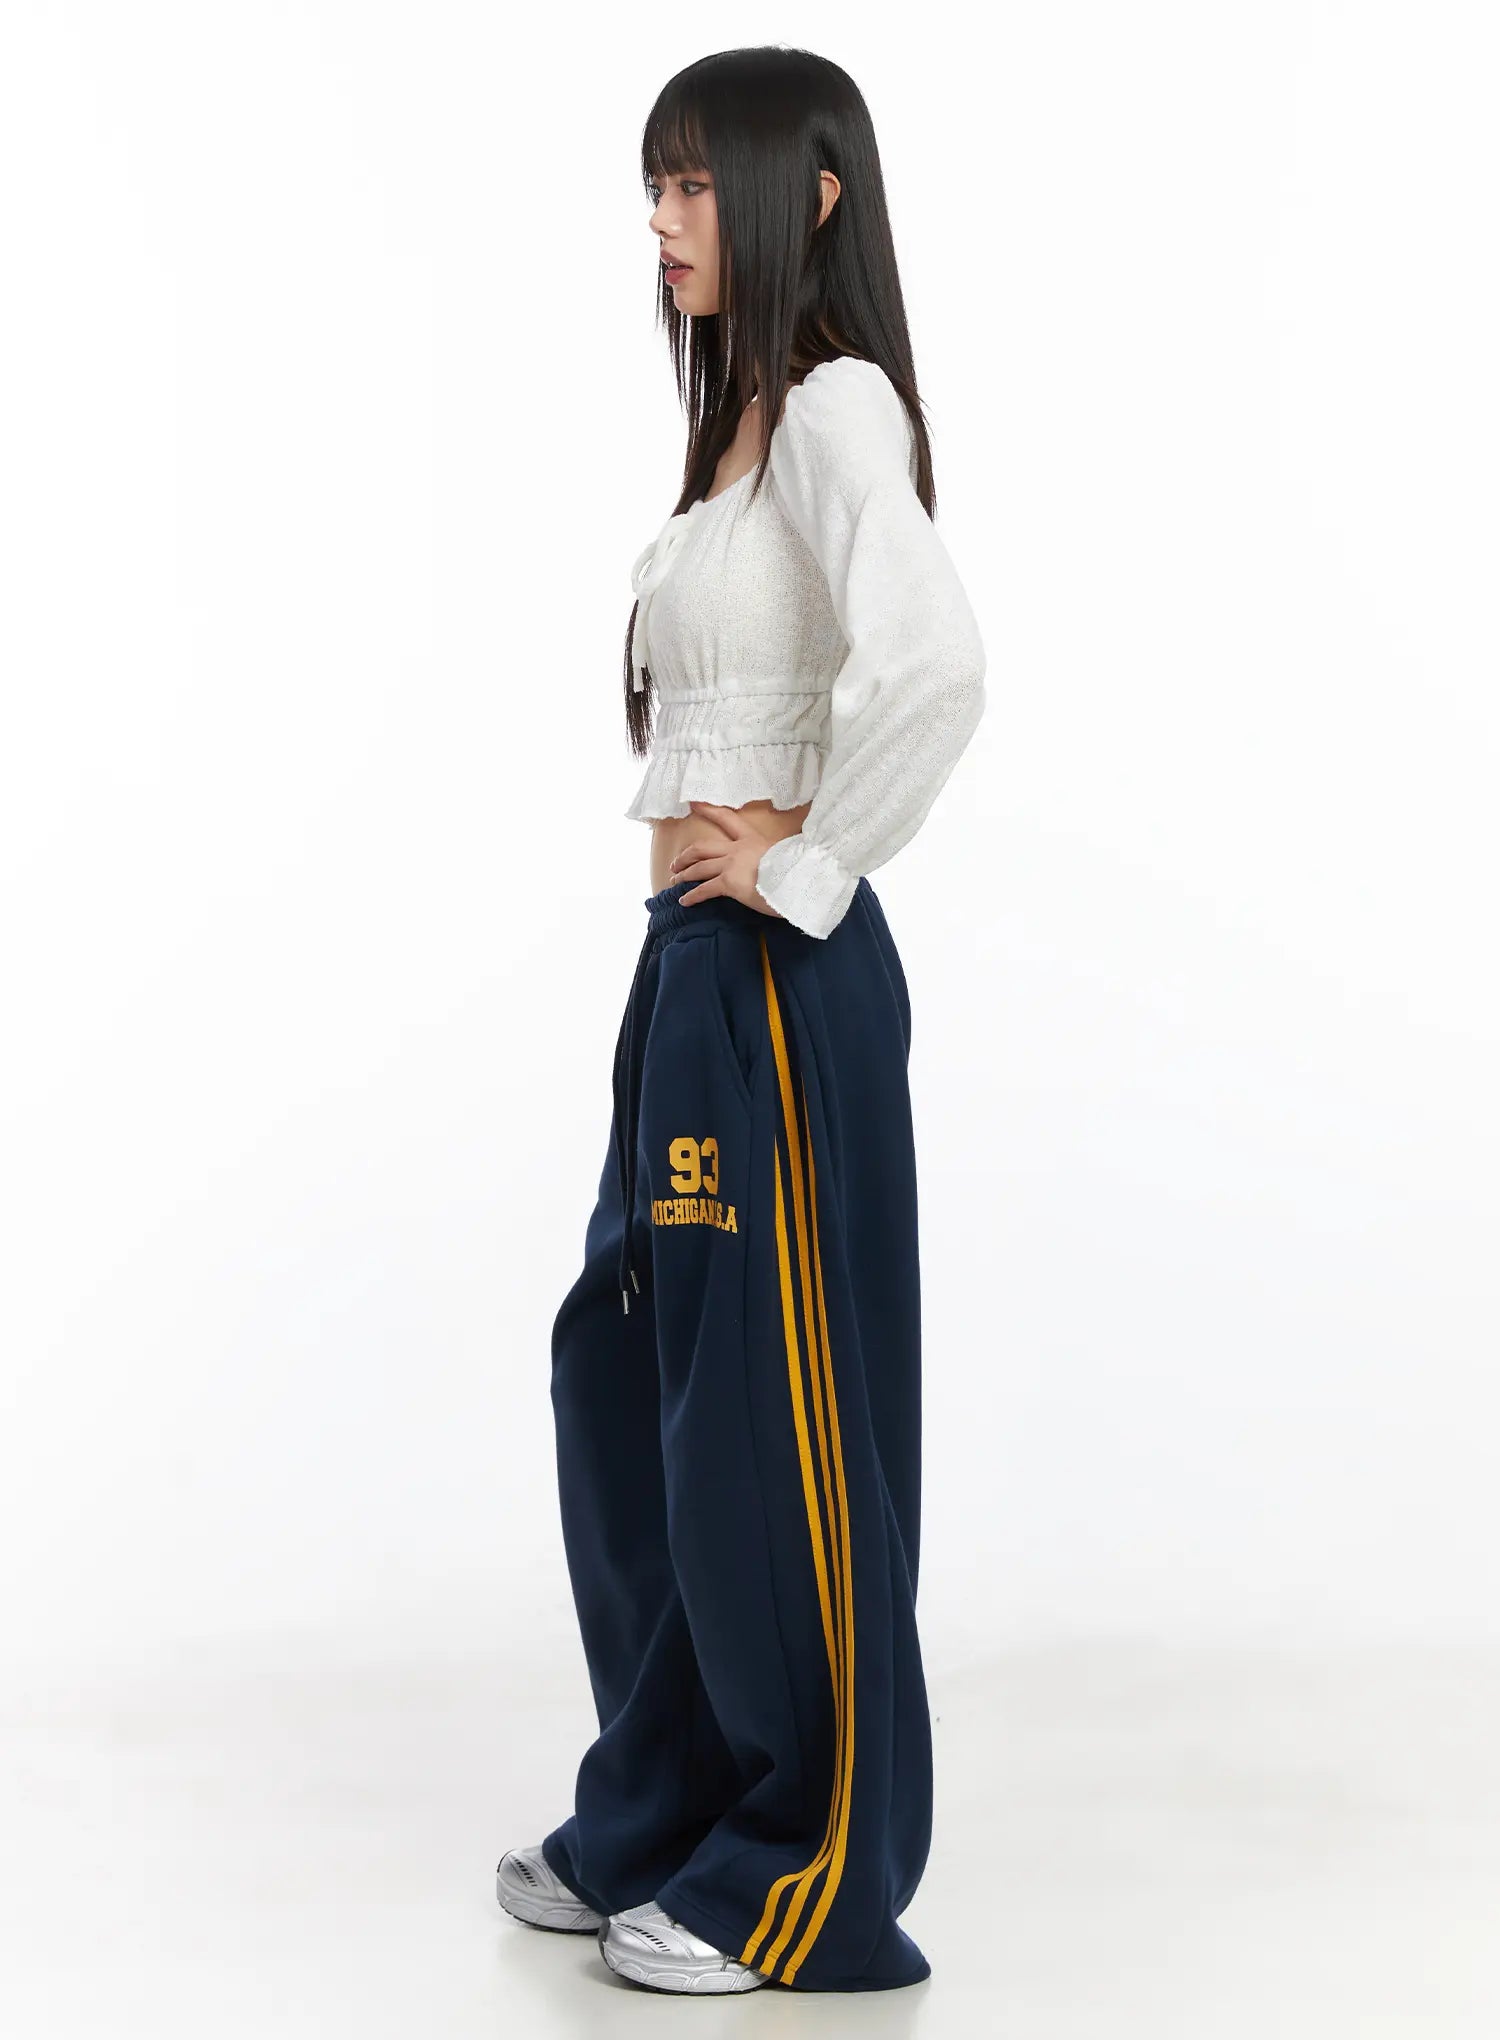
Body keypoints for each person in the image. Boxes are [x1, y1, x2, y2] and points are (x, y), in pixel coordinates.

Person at [497, 45, 987, 1996]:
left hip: (780, 982)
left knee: (772, 1429)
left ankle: (803, 1871)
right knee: (632, 1385)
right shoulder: (738, 428)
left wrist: (806, 862)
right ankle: (668, 1805)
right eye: (660, 184)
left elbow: (937, 662)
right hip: (690, 976)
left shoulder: (839, 408)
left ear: (813, 196)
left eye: (699, 184)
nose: (665, 220)